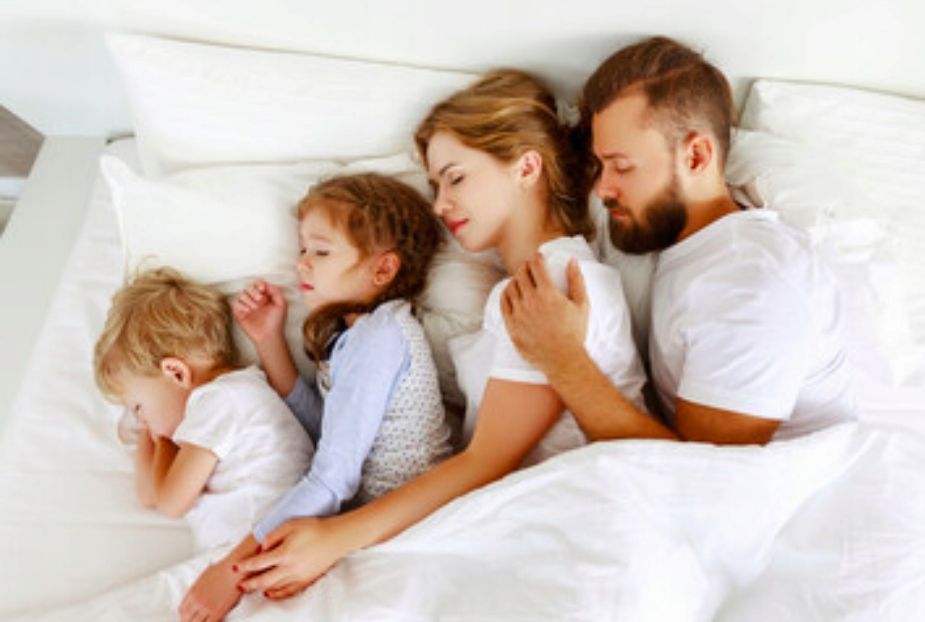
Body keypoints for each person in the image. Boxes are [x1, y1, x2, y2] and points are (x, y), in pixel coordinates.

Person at [177, 69, 649, 618]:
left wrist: (334, 539)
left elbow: (486, 460)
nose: (441, 204)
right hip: (531, 518)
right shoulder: (527, 284)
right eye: (434, 187)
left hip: (573, 525)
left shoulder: (553, 283)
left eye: (455, 178)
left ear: (526, 168)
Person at [501, 36, 857, 446]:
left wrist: (561, 358)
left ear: (696, 157)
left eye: (622, 166)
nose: (602, 189)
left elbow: (706, 473)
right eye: (601, 166)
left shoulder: (751, 285)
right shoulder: (699, 248)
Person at [180, 173, 453, 619]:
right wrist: (269, 340)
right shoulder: (353, 338)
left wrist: (231, 569)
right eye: (302, 250)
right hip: (377, 522)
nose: (302, 264)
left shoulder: (381, 337)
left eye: (321, 252)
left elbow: (332, 478)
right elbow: (329, 434)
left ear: (383, 269)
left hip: (412, 524)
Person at [93, 267, 313, 552]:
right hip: (256, 547)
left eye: (139, 407)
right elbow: (148, 495)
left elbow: (171, 502)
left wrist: (162, 439)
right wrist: (155, 432)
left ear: (176, 372)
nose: (141, 421)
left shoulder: (221, 400)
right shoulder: (231, 397)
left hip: (264, 547)